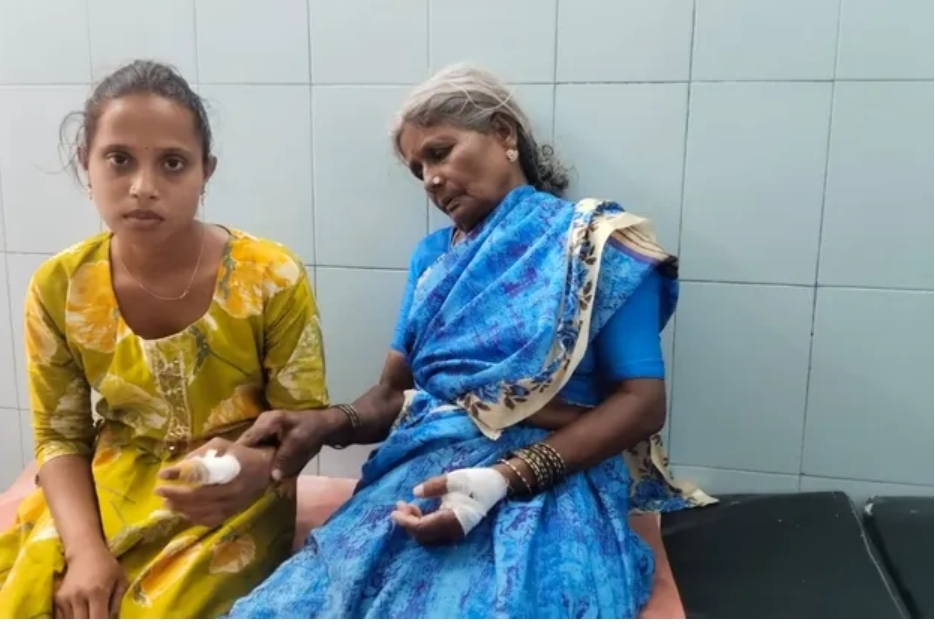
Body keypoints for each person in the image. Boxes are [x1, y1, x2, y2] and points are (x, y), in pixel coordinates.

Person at [228, 64, 713, 619]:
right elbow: (392, 394)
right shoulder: (434, 259)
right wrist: (325, 423)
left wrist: (504, 479)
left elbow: (642, 404)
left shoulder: (594, 247)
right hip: (423, 468)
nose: (430, 179)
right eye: (418, 169)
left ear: (503, 133)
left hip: (553, 477)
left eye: (440, 153)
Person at [0, 61, 330, 618]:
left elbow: (304, 422)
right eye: (119, 159)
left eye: (173, 163)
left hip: (233, 488)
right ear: (86, 165)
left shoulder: (270, 277)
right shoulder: (59, 286)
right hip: (112, 479)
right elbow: (59, 437)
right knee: (29, 599)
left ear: (206, 172)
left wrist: (257, 469)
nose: (143, 187)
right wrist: (85, 552)